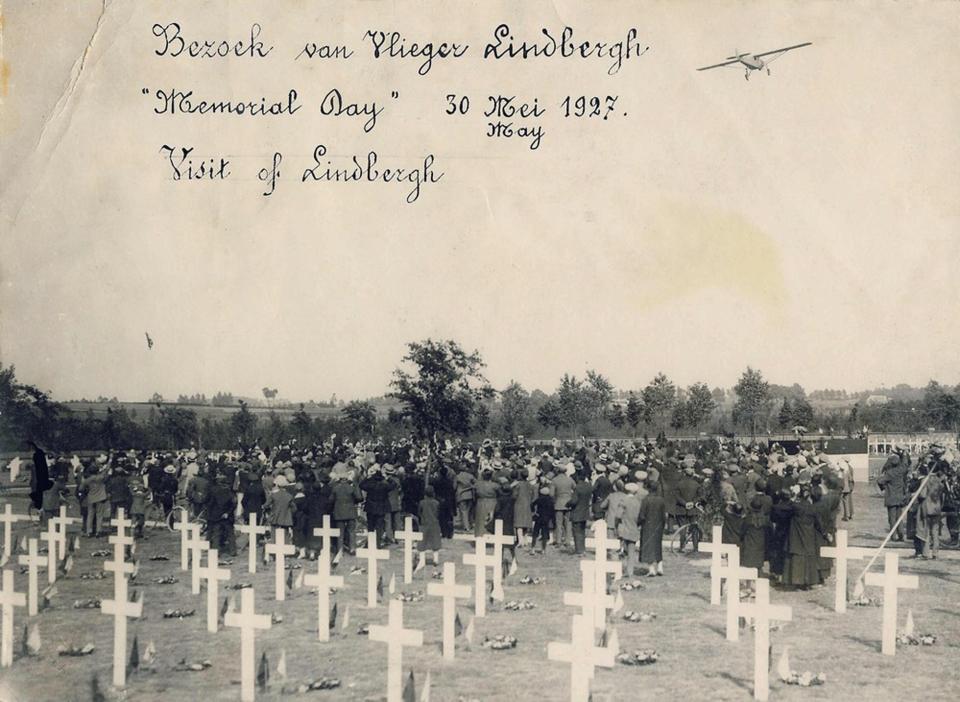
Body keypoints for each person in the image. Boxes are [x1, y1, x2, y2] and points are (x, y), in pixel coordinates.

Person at [638, 478, 666, 576]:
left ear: (648, 488)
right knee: (657, 546)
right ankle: (660, 567)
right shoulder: (661, 500)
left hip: (647, 526)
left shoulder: (645, 500)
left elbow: (642, 515)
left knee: (648, 547)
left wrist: (639, 523)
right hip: (658, 526)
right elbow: (663, 516)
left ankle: (651, 569)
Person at [877, 453, 908, 541]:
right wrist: (904, 454)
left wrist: (884, 488)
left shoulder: (890, 473)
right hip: (900, 497)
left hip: (891, 497)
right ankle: (901, 535)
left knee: (892, 518)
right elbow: (905, 464)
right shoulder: (901, 470)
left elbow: (880, 481)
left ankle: (893, 536)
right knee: (899, 517)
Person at [206, 472, 237, 557]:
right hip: (227, 516)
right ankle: (233, 551)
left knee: (216, 534)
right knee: (230, 534)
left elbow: (210, 503)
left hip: (216, 516)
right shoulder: (229, 491)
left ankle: (216, 552)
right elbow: (234, 504)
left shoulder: (213, 490)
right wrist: (227, 513)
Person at [359, 465, 392, 547]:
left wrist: (368, 477)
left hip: (370, 507)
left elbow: (361, 485)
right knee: (379, 527)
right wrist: (387, 477)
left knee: (370, 526)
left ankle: (369, 543)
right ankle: (377, 543)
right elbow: (393, 485)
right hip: (381, 507)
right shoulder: (384, 485)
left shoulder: (370, 485)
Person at [331, 469, 361, 555]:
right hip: (350, 511)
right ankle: (352, 548)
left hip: (339, 512)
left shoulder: (335, 488)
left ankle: (340, 549)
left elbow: (331, 500)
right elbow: (359, 498)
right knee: (351, 531)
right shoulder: (351, 488)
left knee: (340, 532)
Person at [617, 483, 642, 576]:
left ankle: (620, 570)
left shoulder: (623, 500)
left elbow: (618, 515)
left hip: (623, 528)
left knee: (621, 551)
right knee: (631, 552)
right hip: (633, 529)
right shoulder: (638, 502)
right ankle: (630, 571)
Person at [551, 465, 575, 548]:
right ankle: (567, 540)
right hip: (568, 503)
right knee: (568, 523)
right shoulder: (570, 479)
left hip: (558, 503)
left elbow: (551, 494)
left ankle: (558, 541)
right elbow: (575, 489)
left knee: (558, 523)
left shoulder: (554, 480)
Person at [418, 485, 443, 566]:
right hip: (434, 523)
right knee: (435, 541)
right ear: (433, 494)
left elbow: (419, 512)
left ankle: (422, 560)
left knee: (422, 542)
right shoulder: (437, 503)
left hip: (424, 523)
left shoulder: (422, 502)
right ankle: (436, 559)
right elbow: (438, 513)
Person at [569, 470, 593, 555]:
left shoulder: (578, 487)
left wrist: (568, 503)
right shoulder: (589, 486)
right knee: (582, 531)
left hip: (577, 511)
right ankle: (583, 549)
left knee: (576, 531)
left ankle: (578, 550)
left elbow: (574, 501)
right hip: (585, 511)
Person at [531, 487, 555, 554]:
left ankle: (533, 548)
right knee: (544, 534)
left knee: (535, 533)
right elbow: (552, 511)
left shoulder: (539, 499)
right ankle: (543, 549)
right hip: (546, 519)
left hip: (539, 517)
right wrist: (551, 518)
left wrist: (534, 512)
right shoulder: (551, 500)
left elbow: (532, 504)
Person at [455, 463, 476, 532]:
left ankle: (466, 527)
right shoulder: (470, 476)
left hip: (461, 495)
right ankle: (470, 524)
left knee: (463, 511)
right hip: (469, 494)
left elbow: (454, 486)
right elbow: (475, 484)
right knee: (469, 511)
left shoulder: (457, 476)